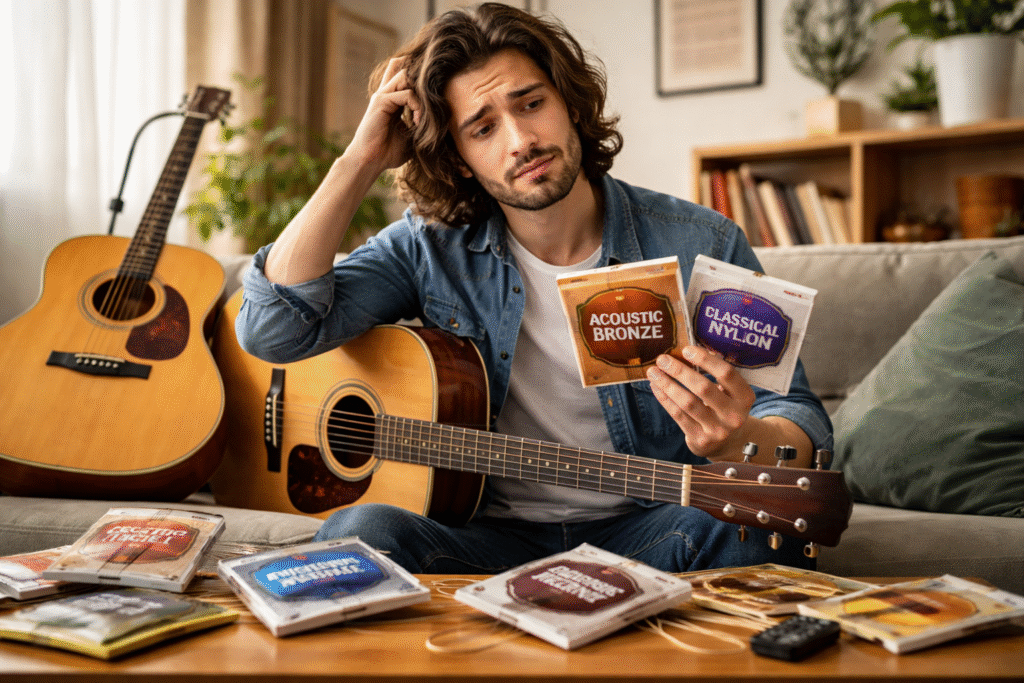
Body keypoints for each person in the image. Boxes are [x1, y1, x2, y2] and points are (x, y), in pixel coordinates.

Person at [236, 3, 833, 575]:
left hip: (651, 529)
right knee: (359, 534)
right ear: (460, 158)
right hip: (484, 541)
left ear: (569, 103)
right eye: (483, 128)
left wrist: (739, 438)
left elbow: (797, 417)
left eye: (531, 103)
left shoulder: (698, 240)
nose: (520, 139)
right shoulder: (428, 247)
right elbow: (272, 331)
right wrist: (360, 160)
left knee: (757, 527)